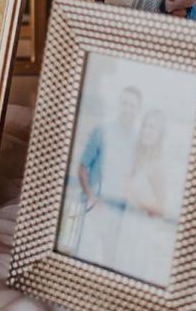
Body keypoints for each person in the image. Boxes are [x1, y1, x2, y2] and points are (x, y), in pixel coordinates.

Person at [75, 86, 142, 269]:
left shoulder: (138, 139)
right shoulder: (102, 131)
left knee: (109, 257)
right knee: (85, 255)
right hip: (96, 203)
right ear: (119, 105)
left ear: (138, 109)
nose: (128, 108)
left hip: (119, 208)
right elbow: (82, 168)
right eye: (125, 103)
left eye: (132, 105)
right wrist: (91, 197)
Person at [114, 110, 178, 286]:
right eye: (145, 126)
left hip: (141, 234)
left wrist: (133, 197)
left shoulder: (158, 166)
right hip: (127, 228)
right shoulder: (139, 159)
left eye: (152, 127)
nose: (147, 131)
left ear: (159, 134)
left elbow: (162, 209)